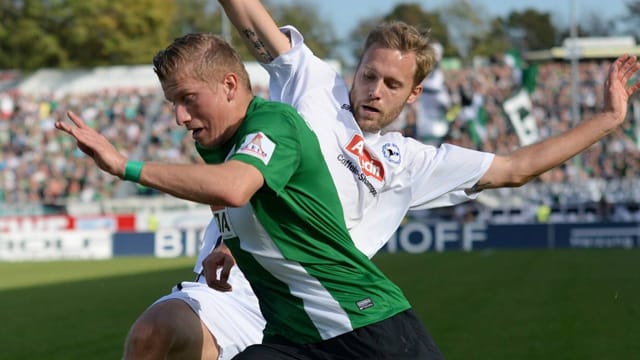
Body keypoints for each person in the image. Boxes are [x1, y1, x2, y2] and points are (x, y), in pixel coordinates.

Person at [124, 0, 640, 359]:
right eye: (368, 74)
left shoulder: (409, 162)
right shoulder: (313, 87)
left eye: (392, 84)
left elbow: (514, 168)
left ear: (412, 96)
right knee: (150, 335)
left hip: (332, 314)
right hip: (235, 291)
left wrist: (608, 120)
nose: (373, 90)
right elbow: (250, 18)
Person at [56, 32, 443, 359]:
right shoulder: (215, 141)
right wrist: (229, 245)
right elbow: (247, 206)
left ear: (228, 85)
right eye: (173, 102)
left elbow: (234, 187)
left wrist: (126, 167)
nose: (179, 116)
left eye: (188, 98)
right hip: (294, 333)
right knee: (151, 333)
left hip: (362, 321)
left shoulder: (274, 122)